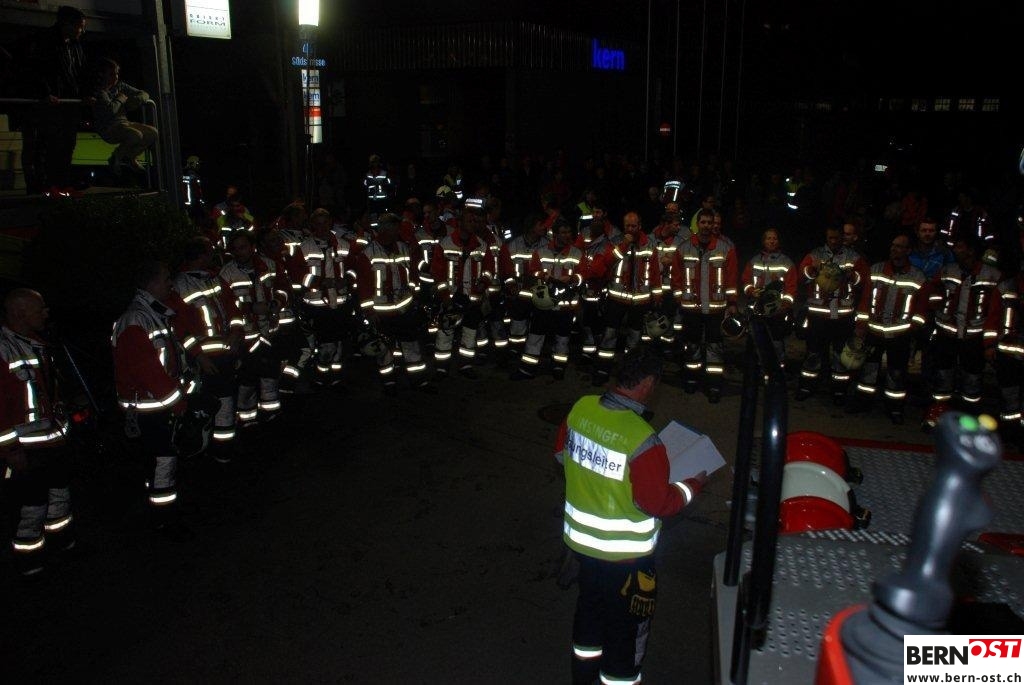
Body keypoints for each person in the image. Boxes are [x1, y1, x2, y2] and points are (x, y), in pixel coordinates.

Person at [554, 346, 706, 685]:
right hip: (628, 561)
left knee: (589, 617)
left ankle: (583, 677)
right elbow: (658, 504)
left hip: (583, 550)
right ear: (649, 383)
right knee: (626, 634)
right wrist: (693, 485)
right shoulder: (642, 439)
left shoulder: (580, 409)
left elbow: (562, 456)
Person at [0, 289, 74, 576]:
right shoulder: (4, 349)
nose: (46, 313)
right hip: (26, 450)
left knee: (59, 497)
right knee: (31, 507)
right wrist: (10, 449)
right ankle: (30, 563)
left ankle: (62, 544)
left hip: (52, 442)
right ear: (19, 313)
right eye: (39, 309)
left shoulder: (36, 343)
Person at [848, 233, 927, 424]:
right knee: (868, 369)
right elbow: (865, 300)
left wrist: (913, 328)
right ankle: (864, 401)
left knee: (896, 373)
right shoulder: (876, 269)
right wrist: (861, 326)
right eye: (893, 245)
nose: (894, 249)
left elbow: (921, 308)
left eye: (899, 246)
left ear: (908, 251)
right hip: (874, 331)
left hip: (900, 334)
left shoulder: (917, 277)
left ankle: (895, 407)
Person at [796, 225, 870, 403]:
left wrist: (853, 276)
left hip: (842, 315)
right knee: (813, 353)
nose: (834, 241)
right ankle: (807, 387)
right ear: (826, 237)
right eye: (831, 238)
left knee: (840, 356)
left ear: (842, 237)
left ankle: (839, 391)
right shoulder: (814, 255)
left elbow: (864, 282)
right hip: (818, 314)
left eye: (837, 238)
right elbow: (802, 278)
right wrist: (812, 270)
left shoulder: (854, 258)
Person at [20, 5, 88, 194]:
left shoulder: (74, 46)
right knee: (44, 145)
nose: (81, 31)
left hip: (66, 104)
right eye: (80, 27)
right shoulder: (45, 42)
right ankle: (43, 186)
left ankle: (60, 183)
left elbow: (81, 73)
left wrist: (84, 94)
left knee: (66, 144)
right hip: (50, 105)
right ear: (67, 24)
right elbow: (35, 71)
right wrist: (44, 93)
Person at [591, 212, 662, 386]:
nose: (630, 229)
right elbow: (606, 263)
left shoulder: (649, 245)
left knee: (634, 338)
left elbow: (655, 272)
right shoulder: (615, 242)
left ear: (640, 226)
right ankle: (602, 370)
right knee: (609, 335)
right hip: (616, 298)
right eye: (627, 226)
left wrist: (657, 294)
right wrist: (624, 245)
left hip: (640, 300)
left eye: (634, 226)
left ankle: (629, 372)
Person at [676, 208, 739, 402]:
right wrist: (680, 299)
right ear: (698, 224)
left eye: (709, 223)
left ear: (714, 225)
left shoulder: (725, 249)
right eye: (702, 222)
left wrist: (732, 303)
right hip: (691, 307)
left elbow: (731, 279)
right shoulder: (684, 248)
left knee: (715, 347)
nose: (706, 226)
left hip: (716, 307)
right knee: (692, 344)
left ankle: (714, 385)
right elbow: (677, 278)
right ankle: (691, 379)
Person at [92, 57, 156, 176]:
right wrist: (120, 99)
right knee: (135, 135)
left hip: (123, 123)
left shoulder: (120, 86)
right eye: (111, 74)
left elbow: (143, 94)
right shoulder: (99, 92)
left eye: (116, 73)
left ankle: (130, 157)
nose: (115, 77)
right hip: (109, 128)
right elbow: (110, 110)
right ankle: (115, 158)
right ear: (102, 75)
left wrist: (134, 101)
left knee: (152, 133)